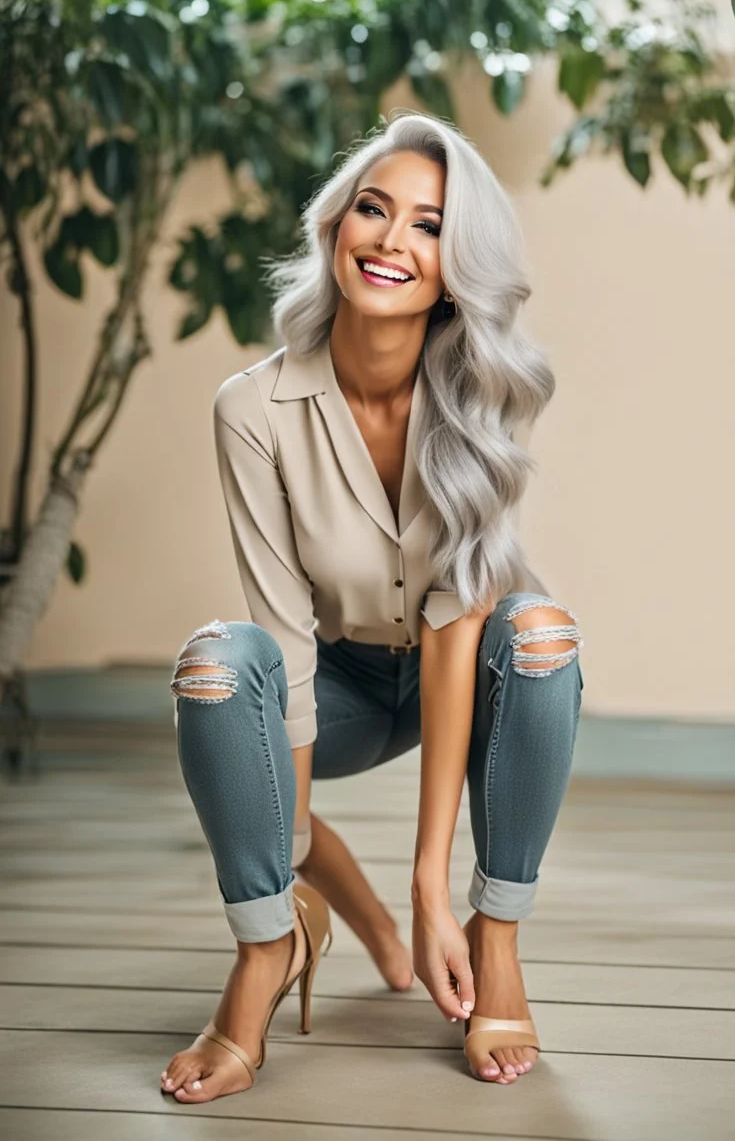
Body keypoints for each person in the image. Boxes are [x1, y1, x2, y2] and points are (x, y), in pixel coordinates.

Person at [161, 109, 584, 1102]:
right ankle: (266, 951)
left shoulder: (480, 399)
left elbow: (454, 626)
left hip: (469, 676)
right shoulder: (252, 409)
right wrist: (313, 883)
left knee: (540, 630)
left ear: (458, 262)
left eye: (429, 225)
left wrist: (428, 890)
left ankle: (497, 936)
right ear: (332, 227)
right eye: (373, 209)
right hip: (340, 679)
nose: (392, 241)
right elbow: (282, 640)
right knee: (221, 661)